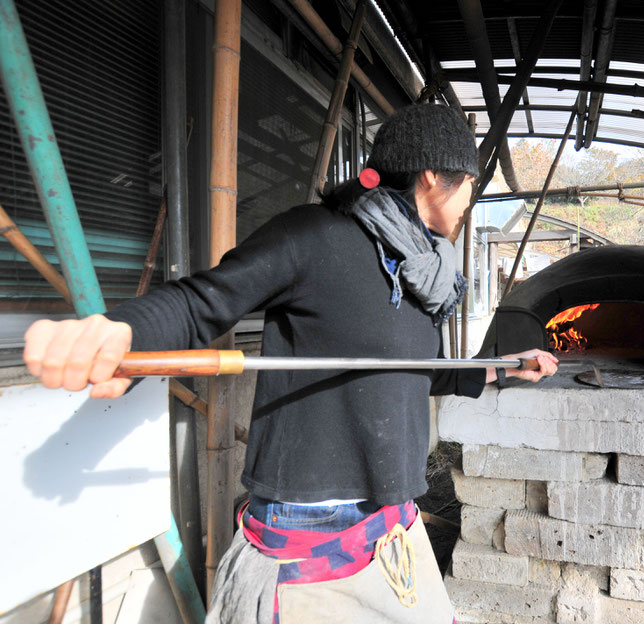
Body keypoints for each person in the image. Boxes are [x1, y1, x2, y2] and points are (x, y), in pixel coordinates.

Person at [23, 103, 557, 623]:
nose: (471, 199)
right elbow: (200, 301)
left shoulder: (425, 271)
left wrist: (507, 366)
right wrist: (119, 332)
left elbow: (420, 371)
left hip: (395, 518)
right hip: (310, 527)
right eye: (470, 183)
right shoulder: (314, 235)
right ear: (434, 174)